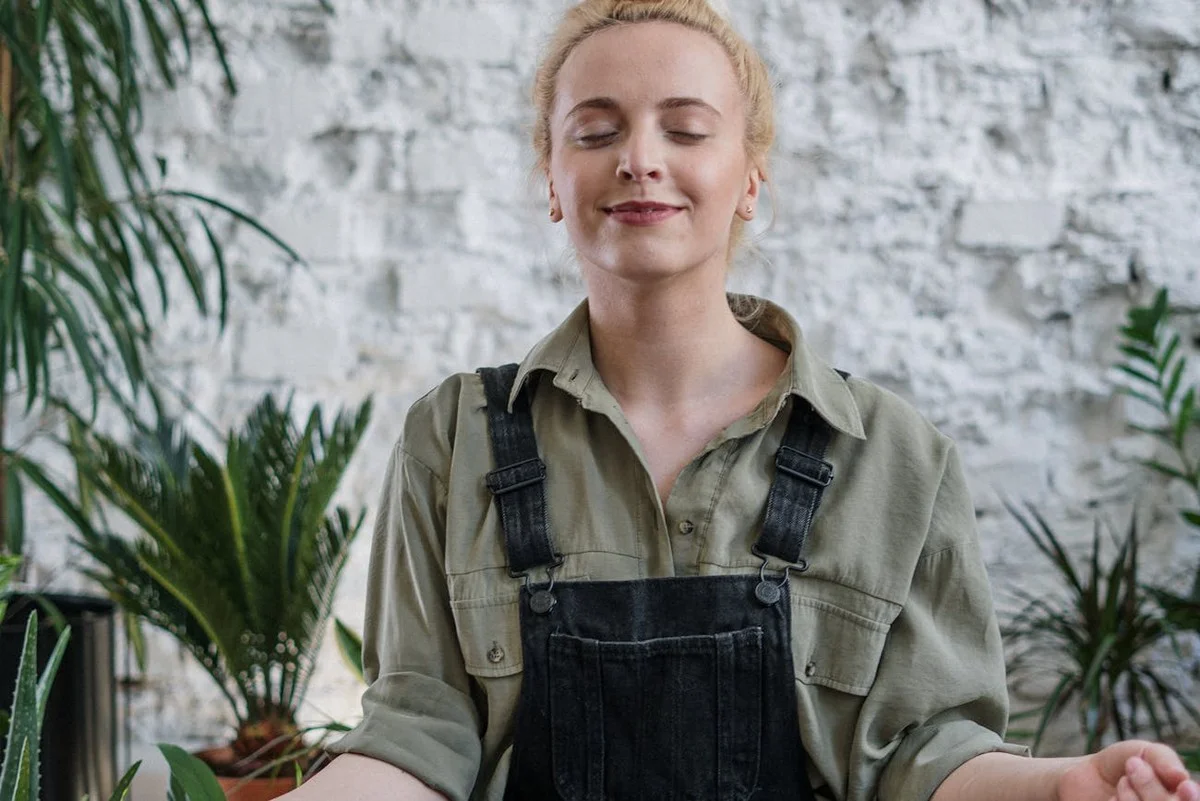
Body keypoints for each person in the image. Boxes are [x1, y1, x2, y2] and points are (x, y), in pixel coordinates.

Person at [281, 1, 1200, 799]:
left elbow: (925, 758)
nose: (640, 159)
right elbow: (417, 736)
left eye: (684, 129)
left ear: (750, 176)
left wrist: (1062, 783)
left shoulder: (892, 456)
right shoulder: (456, 440)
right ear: (552, 180)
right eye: (596, 131)